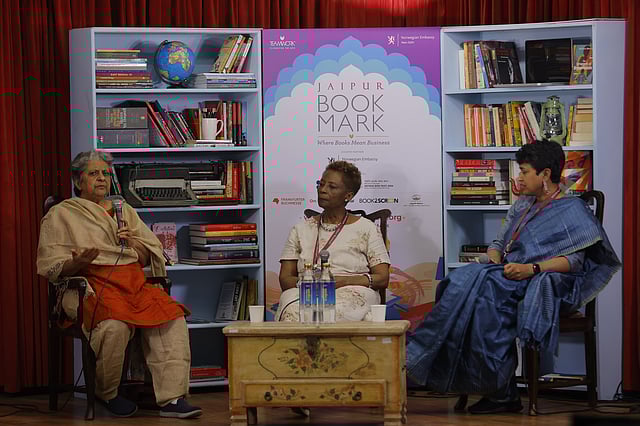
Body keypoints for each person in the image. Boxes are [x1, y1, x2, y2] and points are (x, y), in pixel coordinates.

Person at [406, 140, 621, 414]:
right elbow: (498, 244)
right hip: (509, 277)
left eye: (524, 171)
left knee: (481, 295)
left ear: (545, 174)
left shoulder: (573, 210)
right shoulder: (522, 206)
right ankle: (497, 390)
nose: (519, 177)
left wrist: (531, 269)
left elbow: (574, 262)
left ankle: (433, 361)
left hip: (546, 282)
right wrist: (495, 256)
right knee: (459, 282)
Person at [36, 150, 202, 419]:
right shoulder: (62, 214)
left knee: (172, 317)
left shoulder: (124, 210)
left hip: (133, 284)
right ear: (78, 181)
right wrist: (77, 263)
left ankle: (172, 399)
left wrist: (134, 242)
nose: (102, 178)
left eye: (105, 173)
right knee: (115, 325)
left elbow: (151, 253)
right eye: (94, 173)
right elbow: (51, 265)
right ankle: (107, 392)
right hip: (87, 285)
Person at [276, 160, 391, 322]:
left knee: (331, 311)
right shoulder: (300, 229)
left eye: (332, 187)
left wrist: (342, 281)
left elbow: (382, 278)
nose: (322, 190)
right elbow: (285, 278)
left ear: (348, 196)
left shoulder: (367, 228)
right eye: (321, 184)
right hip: (307, 290)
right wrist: (311, 285)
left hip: (352, 290)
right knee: (293, 309)